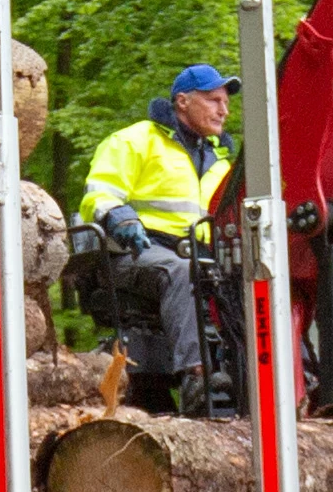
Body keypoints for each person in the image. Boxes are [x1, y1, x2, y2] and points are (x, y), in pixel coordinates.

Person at [69, 63, 232, 409]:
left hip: (200, 256)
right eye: (214, 100)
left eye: (226, 103)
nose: (224, 110)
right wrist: (122, 217)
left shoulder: (220, 161)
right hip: (133, 253)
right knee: (179, 271)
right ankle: (197, 376)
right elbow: (99, 194)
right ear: (183, 101)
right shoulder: (135, 141)